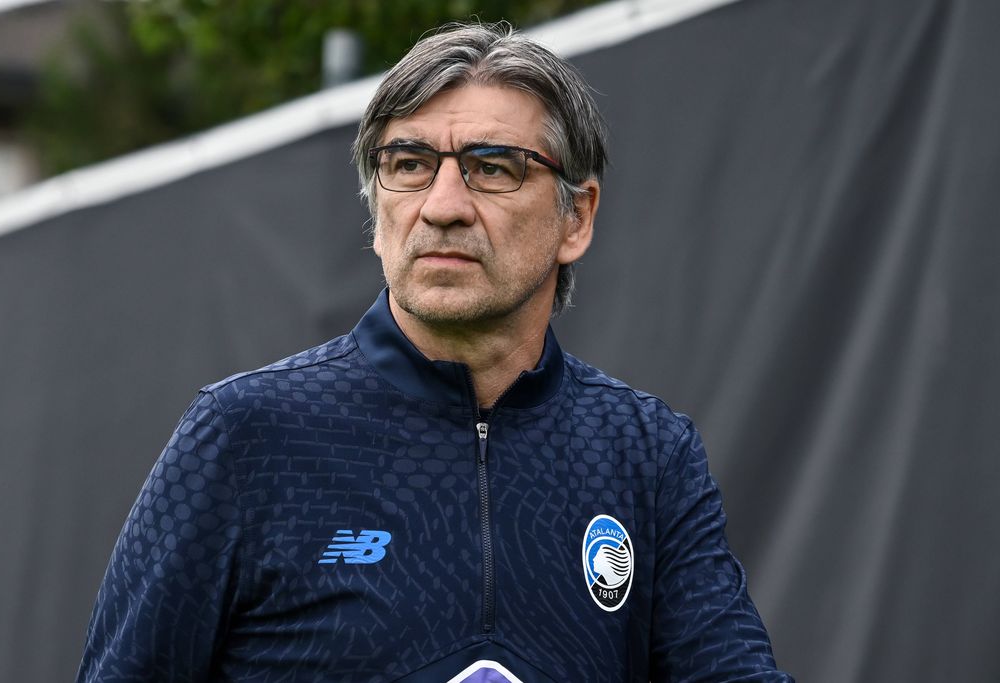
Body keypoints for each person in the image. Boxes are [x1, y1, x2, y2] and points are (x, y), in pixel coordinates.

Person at [76, 22, 792, 683]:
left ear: (576, 217)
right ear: (376, 211)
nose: (443, 205)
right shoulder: (245, 436)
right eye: (411, 163)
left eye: (494, 167)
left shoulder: (647, 455)